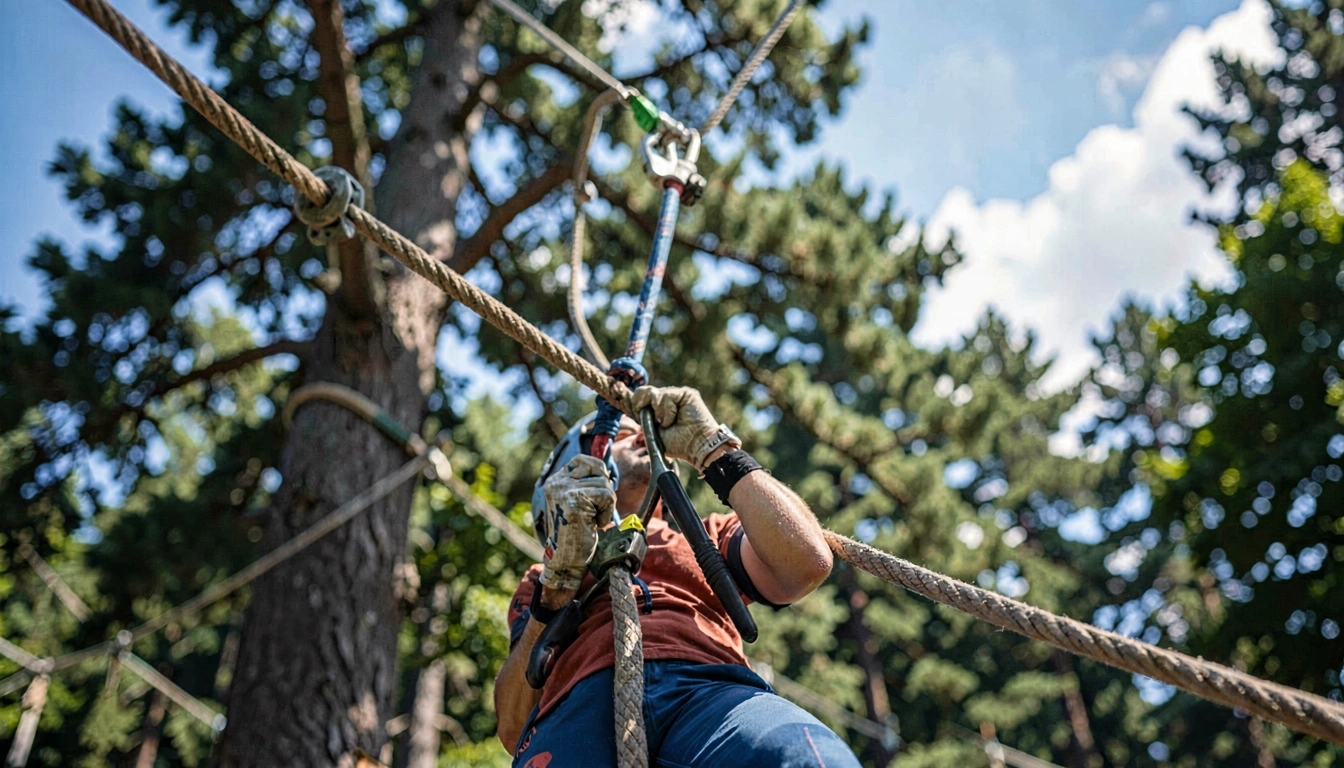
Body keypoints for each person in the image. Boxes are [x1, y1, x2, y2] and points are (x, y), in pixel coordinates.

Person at [495, 385, 861, 767]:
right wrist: (554, 587)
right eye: (623, 435)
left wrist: (713, 446)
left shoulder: (704, 537)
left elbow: (805, 564)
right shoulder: (540, 579)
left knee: (807, 759)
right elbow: (513, 724)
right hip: (576, 712)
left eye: (646, 433)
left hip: (708, 691)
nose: (644, 436)